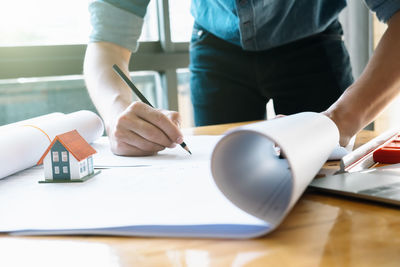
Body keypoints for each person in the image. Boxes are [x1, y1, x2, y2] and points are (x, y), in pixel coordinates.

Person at [84, 0, 400, 156]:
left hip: (314, 42)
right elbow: (106, 44)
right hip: (215, 47)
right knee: (219, 169)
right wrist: (116, 115)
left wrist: (343, 119)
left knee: (331, 162)